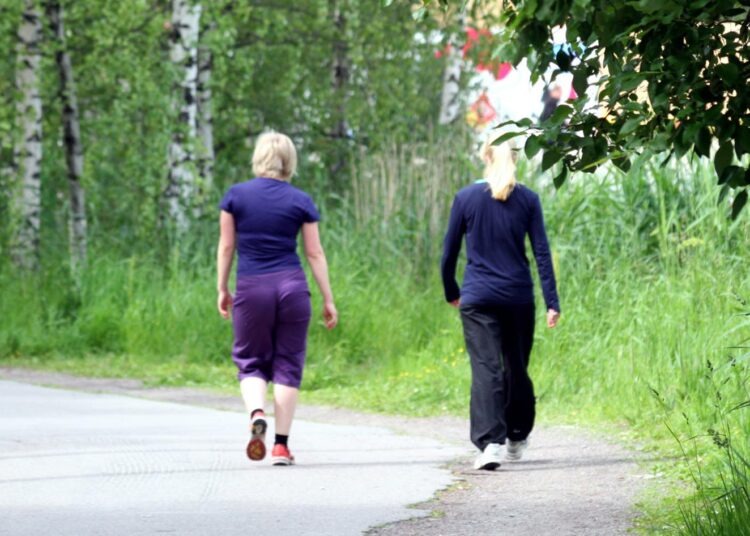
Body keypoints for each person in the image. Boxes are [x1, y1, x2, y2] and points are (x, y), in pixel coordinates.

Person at [216, 132, 338, 466]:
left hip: (251, 288)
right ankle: (281, 447)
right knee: (288, 361)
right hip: (292, 288)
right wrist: (328, 298)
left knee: (251, 360)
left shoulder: (235, 197)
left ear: (258, 158)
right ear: (290, 161)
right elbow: (314, 252)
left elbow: (227, 247)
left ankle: (257, 412)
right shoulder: (300, 200)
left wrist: (222, 288)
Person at [440, 137, 560, 471]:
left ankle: (490, 444)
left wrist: (451, 290)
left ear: (485, 156)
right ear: (516, 159)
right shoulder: (528, 200)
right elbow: (541, 253)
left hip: (477, 297)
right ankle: (517, 436)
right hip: (518, 297)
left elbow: (449, 252)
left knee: (486, 368)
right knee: (516, 367)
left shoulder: (465, 198)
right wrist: (552, 301)